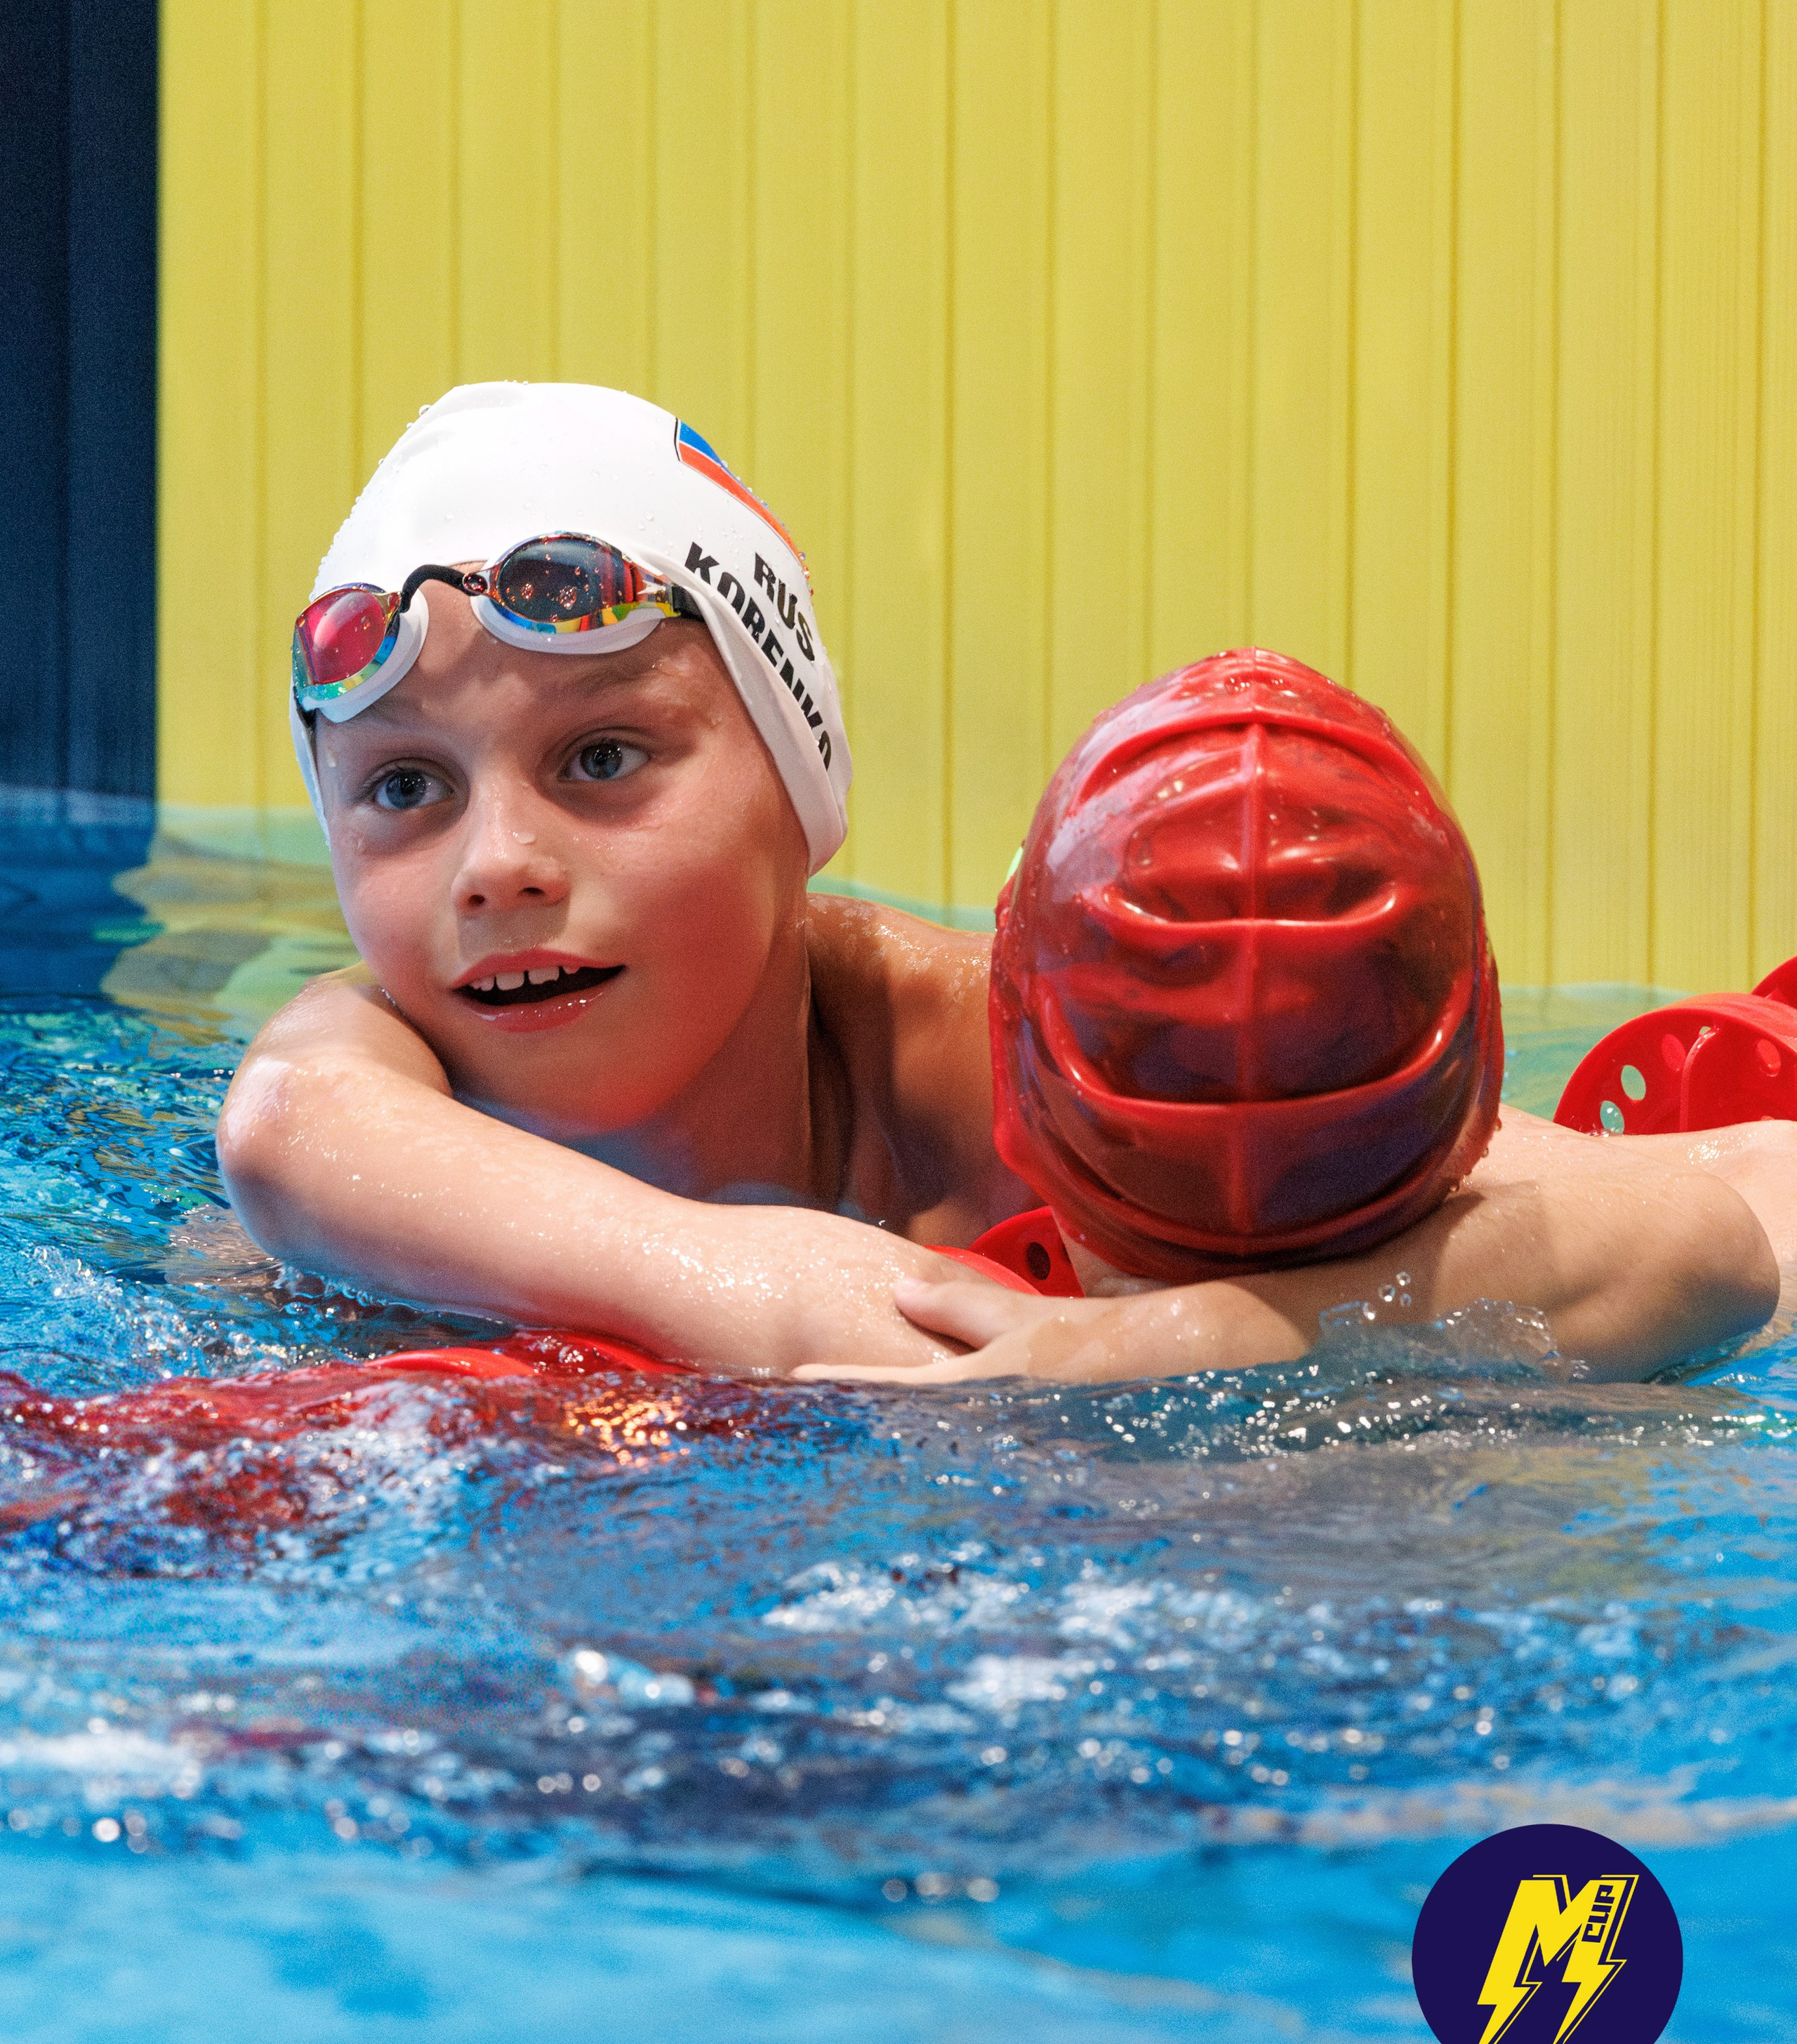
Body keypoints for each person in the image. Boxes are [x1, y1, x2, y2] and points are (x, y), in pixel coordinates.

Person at [220, 383, 1787, 1387]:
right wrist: (758, 1291)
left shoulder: (981, 1045)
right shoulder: (367, 1067)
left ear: (798, 785)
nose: (496, 864)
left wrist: (1162, 1340)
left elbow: (1677, 1242)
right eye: (404, 789)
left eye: (603, 758)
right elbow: (285, 1133)